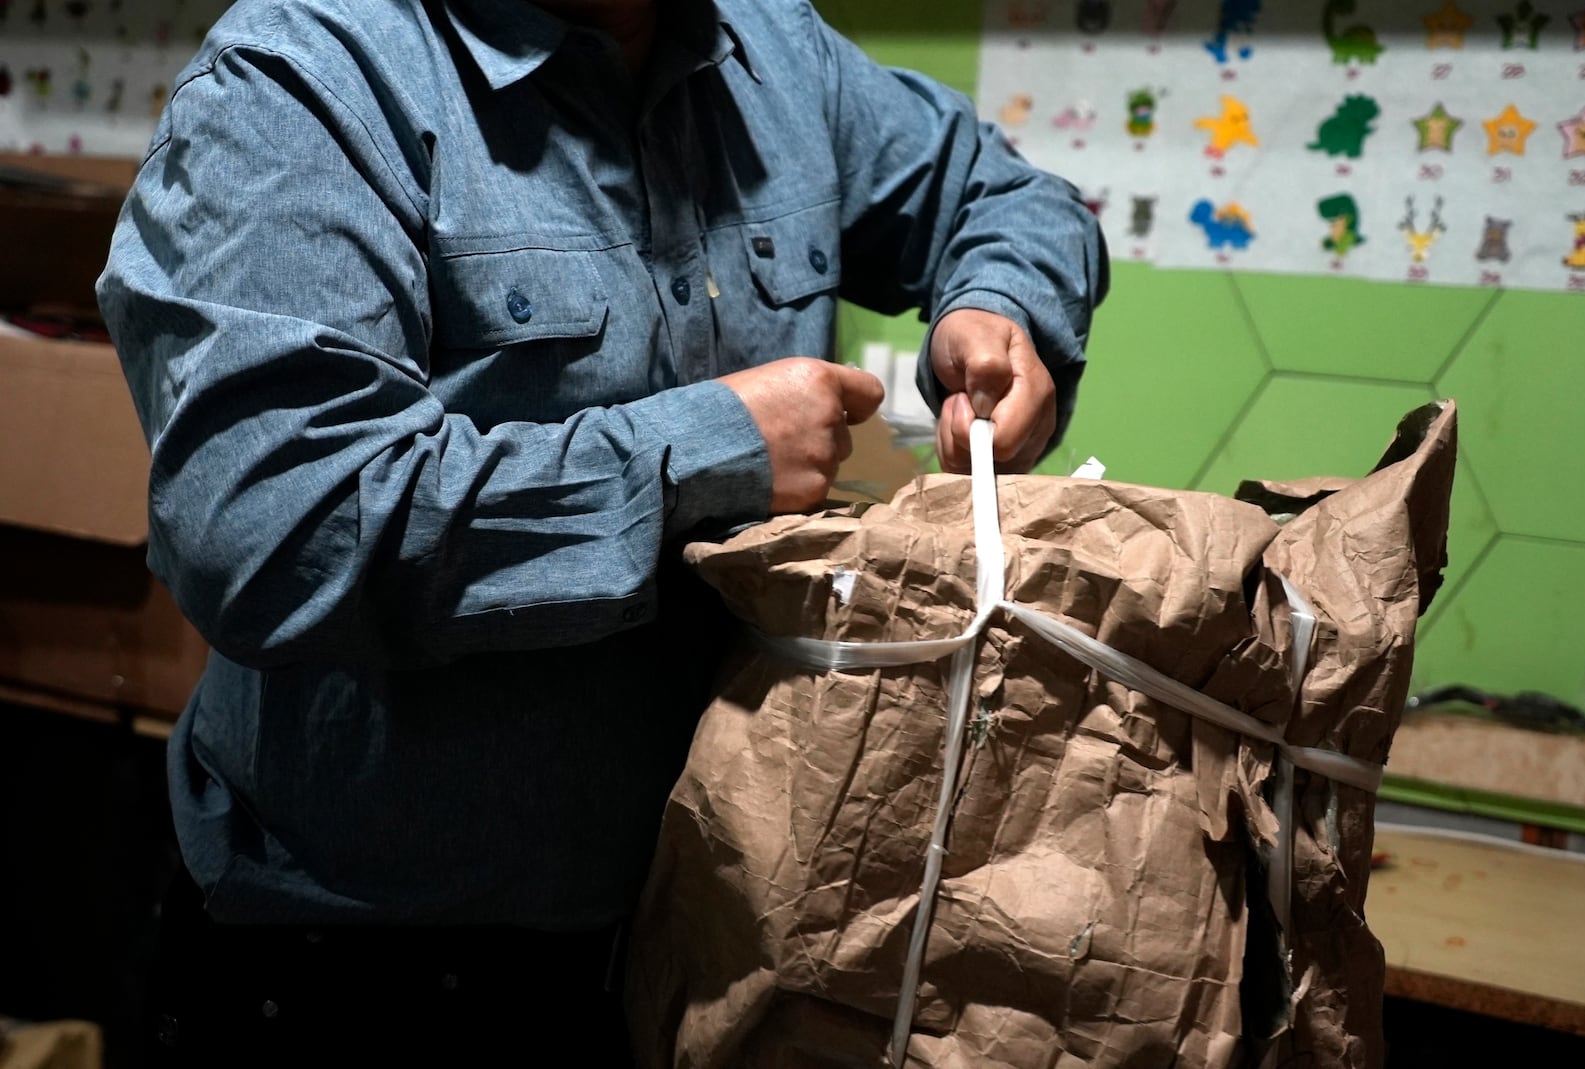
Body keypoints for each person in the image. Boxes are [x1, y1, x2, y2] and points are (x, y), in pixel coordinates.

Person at [98, 0, 1109, 1063]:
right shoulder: (306, 73)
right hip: (368, 970)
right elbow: (266, 527)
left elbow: (1008, 197)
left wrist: (999, 305)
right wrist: (703, 451)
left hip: (721, 935)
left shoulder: (770, 47)